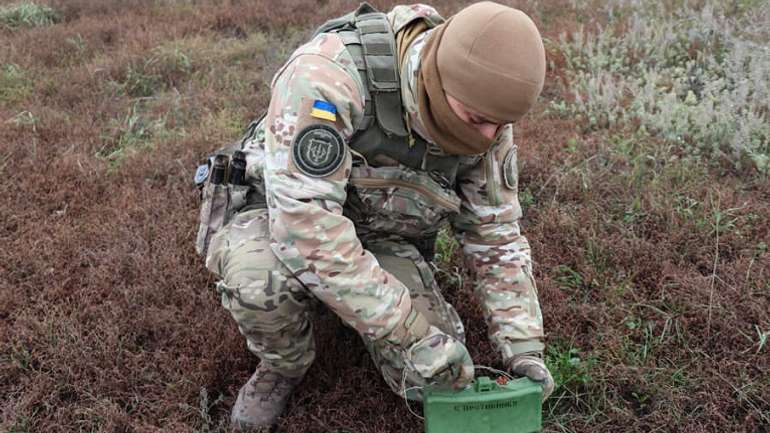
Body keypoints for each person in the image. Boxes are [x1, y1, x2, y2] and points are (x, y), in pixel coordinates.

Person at [197, 2, 554, 430]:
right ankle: (283, 366)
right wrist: (409, 332)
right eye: (477, 120)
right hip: (276, 213)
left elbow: (494, 232)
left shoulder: (486, 113)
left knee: (429, 378)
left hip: (380, 227)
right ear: (438, 82)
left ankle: (355, 301)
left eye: (500, 125)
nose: (487, 137)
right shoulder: (327, 76)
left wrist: (523, 346)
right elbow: (306, 229)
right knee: (260, 284)